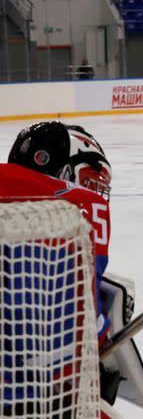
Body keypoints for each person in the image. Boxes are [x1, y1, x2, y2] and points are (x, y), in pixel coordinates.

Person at [1, 122, 118, 415]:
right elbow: (80, 332)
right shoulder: (83, 205)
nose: (94, 191)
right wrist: (107, 325)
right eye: (88, 179)